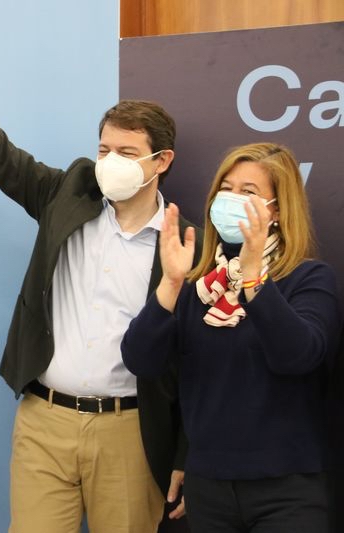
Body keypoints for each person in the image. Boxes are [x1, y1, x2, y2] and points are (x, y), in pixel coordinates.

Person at [0, 2, 201, 531]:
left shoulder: (184, 246)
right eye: (104, 149)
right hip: (43, 423)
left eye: (127, 151)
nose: (111, 162)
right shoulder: (67, 193)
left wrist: (185, 451)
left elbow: (195, 363)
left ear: (161, 161)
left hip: (130, 432)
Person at [121, 143, 340, 531]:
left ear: (277, 210)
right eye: (226, 187)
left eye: (249, 192)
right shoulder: (199, 288)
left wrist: (255, 276)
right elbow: (141, 361)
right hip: (209, 489)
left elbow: (297, 356)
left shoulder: (309, 280)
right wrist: (171, 284)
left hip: (287, 489)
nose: (231, 198)